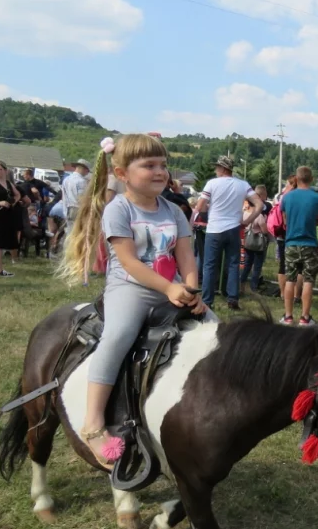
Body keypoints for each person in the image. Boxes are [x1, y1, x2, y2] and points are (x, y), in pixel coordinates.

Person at [58, 134, 215, 469]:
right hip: (131, 289)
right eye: (149, 165)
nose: (160, 171)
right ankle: (94, 422)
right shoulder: (119, 208)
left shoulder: (174, 210)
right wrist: (170, 289)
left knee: (215, 329)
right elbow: (129, 262)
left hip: (170, 288)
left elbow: (187, 256)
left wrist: (191, 291)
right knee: (117, 337)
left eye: (162, 164)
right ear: (123, 173)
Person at [192, 155, 263, 311]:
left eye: (217, 167)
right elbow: (259, 204)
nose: (216, 170)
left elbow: (200, 205)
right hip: (233, 229)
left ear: (223, 169)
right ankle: (232, 299)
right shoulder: (243, 185)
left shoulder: (212, 183)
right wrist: (248, 220)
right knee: (233, 265)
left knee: (209, 265)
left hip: (214, 229)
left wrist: (204, 215)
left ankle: (208, 300)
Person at [279, 166, 318, 326]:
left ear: (296, 179)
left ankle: (288, 316)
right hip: (310, 243)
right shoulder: (317, 198)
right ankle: (305, 317)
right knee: (308, 281)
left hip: (291, 242)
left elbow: (284, 220)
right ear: (311, 179)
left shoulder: (287, 197)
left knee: (290, 280)